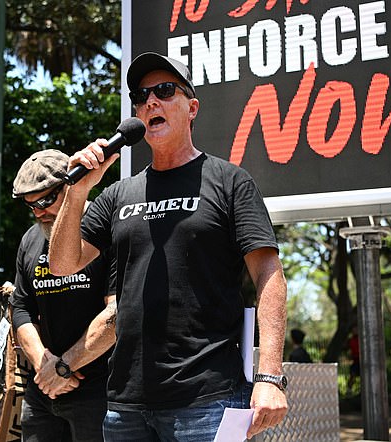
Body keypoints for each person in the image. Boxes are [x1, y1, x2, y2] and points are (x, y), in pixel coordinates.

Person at [48, 52, 288, 441]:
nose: (150, 102)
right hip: (126, 406)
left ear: (192, 108)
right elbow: (61, 266)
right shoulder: (117, 195)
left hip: (208, 400)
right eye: (141, 97)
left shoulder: (229, 182)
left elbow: (269, 275)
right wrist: (77, 193)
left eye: (163, 91)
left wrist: (270, 375)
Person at [9, 149, 117, 442]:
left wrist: (65, 366)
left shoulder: (106, 228)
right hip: (43, 390)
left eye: (46, 200)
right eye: (31, 206)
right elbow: (21, 309)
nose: (40, 212)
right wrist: (45, 367)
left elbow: (116, 314)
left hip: (98, 387)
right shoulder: (30, 240)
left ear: (71, 185)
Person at [347, 325, 360, 394]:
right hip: (355, 360)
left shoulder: (361, 339)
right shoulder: (351, 340)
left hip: (362, 361)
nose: (355, 331)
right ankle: (349, 391)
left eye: (356, 329)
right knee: (352, 375)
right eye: (353, 329)